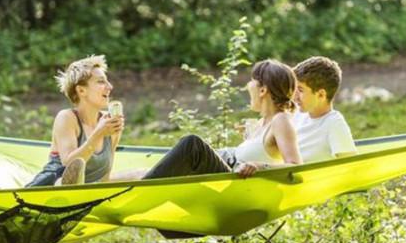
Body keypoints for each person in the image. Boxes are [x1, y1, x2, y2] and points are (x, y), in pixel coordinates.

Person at [140, 59, 302, 181]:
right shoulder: (261, 123)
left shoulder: (280, 120)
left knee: (192, 144)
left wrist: (259, 166)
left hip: (231, 184)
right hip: (226, 169)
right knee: (144, 172)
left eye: (251, 80)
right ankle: (122, 185)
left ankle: (142, 194)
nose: (247, 85)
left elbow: (296, 168)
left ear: (262, 90)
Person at [25, 55, 124, 186]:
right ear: (81, 90)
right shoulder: (67, 118)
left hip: (89, 189)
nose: (110, 86)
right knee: (72, 173)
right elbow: (70, 164)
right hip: (54, 187)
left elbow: (106, 174)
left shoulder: (109, 122)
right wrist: (98, 134)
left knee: (141, 174)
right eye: (101, 82)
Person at [292, 56, 356, 160]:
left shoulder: (334, 123)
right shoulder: (296, 115)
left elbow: (350, 166)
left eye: (300, 90)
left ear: (321, 95)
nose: (294, 96)